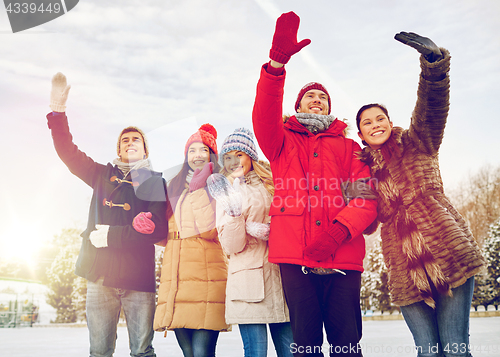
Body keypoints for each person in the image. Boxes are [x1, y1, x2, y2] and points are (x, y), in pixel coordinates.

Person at [251, 12, 378, 357]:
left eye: (322, 97)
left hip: (343, 256)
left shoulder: (351, 147)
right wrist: (276, 66)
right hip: (296, 257)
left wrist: (337, 232)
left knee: (346, 344)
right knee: (304, 345)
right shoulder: (280, 141)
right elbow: (263, 114)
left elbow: (366, 197)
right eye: (310, 97)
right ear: (297, 105)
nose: (317, 100)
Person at [355, 32, 486, 357]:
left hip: (448, 253)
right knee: (428, 351)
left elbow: (431, 107)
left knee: (455, 349)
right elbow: (365, 223)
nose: (375, 125)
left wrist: (433, 67)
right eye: (367, 122)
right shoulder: (359, 172)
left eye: (380, 118)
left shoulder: (418, 142)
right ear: (360, 134)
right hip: (404, 267)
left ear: (390, 122)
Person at [46, 72, 168, 357]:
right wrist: (58, 111)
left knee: (142, 351)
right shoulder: (101, 174)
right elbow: (68, 152)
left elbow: (159, 229)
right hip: (100, 276)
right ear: (119, 149)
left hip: (139, 280)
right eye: (125, 140)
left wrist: (112, 235)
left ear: (144, 148)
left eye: (136, 139)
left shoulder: (154, 182)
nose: (130, 142)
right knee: (99, 352)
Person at [207, 128, 294, 357]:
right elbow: (231, 247)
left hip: (282, 278)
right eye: (229, 156)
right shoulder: (226, 192)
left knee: (291, 352)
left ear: (250, 156)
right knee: (256, 353)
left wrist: (273, 231)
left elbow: (291, 222)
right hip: (248, 283)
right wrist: (236, 216)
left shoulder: (273, 183)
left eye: (240, 154)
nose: (235, 161)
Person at [148, 124, 229, 357]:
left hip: (207, 276)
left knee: (202, 352)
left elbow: (210, 231)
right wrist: (151, 228)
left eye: (203, 150)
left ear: (212, 155)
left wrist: (198, 191)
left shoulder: (219, 183)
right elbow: (169, 234)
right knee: (189, 353)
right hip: (176, 278)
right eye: (192, 151)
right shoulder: (174, 186)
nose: (197, 155)